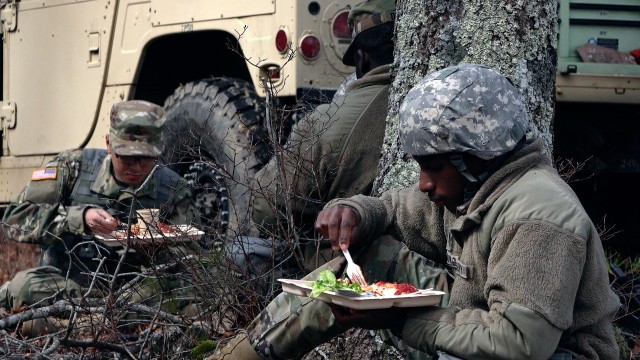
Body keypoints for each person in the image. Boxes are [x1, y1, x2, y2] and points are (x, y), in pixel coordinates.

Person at [211, 64, 621, 359]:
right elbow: (392, 211)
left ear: (474, 158)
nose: (425, 183)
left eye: (434, 167)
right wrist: (354, 211)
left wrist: (400, 322)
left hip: (550, 353)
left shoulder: (537, 215)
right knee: (368, 262)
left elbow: (520, 344)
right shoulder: (474, 190)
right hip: (483, 326)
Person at [229, 0, 396, 297]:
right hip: (416, 271)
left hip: (347, 274)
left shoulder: (325, 121)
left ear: (360, 57)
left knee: (240, 254)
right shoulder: (439, 100)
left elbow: (265, 208)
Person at [0, 100, 200, 329]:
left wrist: (154, 250)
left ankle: (73, 326)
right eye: (127, 156)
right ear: (108, 143)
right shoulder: (72, 167)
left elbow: (192, 261)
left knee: (184, 290)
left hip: (136, 292)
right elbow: (14, 219)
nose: (137, 167)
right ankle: (97, 323)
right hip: (68, 284)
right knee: (23, 286)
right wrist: (79, 218)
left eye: (146, 158)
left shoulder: (173, 189)